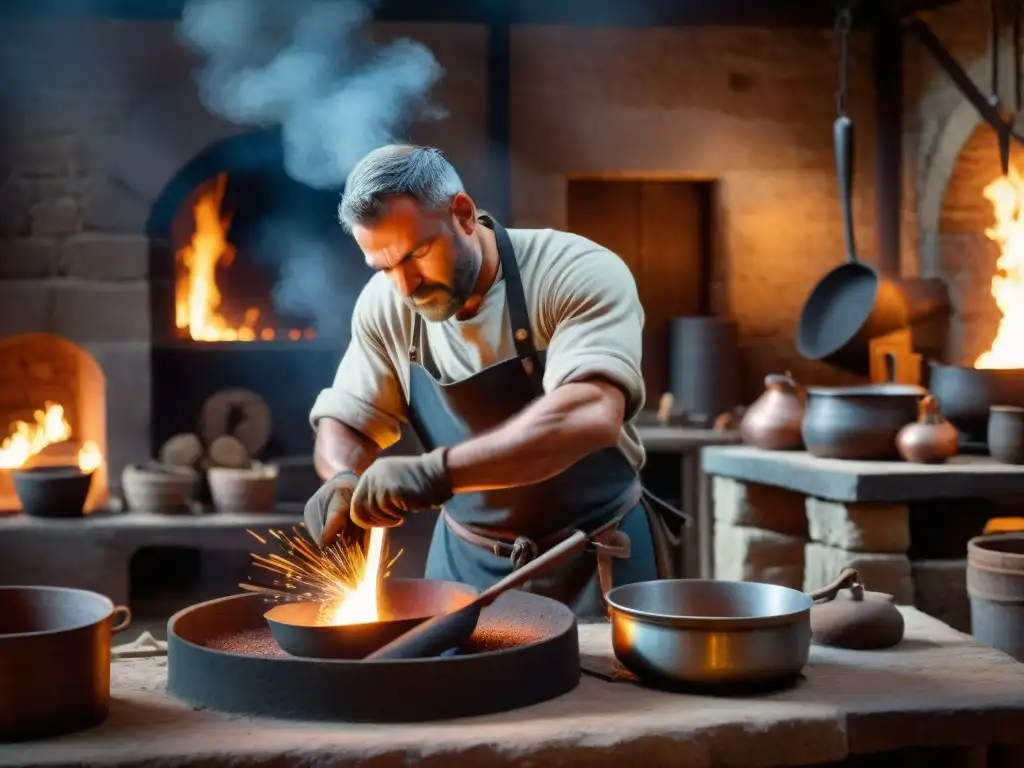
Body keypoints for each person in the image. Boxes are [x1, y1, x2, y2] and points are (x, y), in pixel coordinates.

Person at [304, 144, 685, 618]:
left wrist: (434, 473)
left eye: (417, 255)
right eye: (385, 268)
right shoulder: (387, 303)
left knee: (620, 693)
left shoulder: (574, 271)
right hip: (462, 567)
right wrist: (343, 476)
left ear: (462, 214)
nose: (405, 287)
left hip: (597, 557)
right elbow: (349, 418)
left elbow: (589, 413)